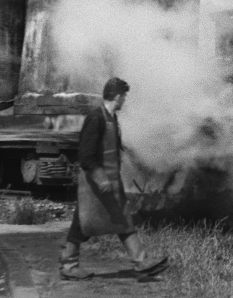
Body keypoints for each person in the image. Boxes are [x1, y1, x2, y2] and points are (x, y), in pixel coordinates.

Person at [59, 77, 168, 280]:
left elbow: (113, 149)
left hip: (111, 182)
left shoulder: (111, 118)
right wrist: (100, 178)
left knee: (122, 220)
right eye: (124, 96)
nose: (125, 100)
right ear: (117, 97)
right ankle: (69, 265)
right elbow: (86, 156)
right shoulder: (96, 118)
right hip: (95, 184)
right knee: (84, 222)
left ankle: (141, 263)